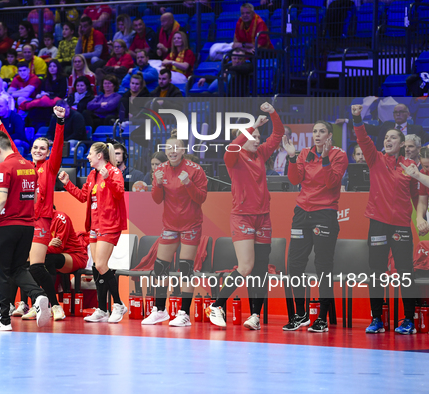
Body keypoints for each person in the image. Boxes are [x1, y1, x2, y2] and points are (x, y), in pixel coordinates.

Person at [207, 103, 283, 329]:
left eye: (259, 136)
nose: (257, 139)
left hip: (263, 217)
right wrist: (252, 126)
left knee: (260, 269)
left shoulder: (261, 153)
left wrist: (272, 112)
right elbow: (231, 147)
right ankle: (217, 305)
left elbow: (278, 134)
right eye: (253, 136)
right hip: (242, 217)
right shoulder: (234, 157)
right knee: (246, 266)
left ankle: (255, 317)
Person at [350, 104, 420, 334]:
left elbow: (418, 197)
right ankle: (377, 319)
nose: (388, 140)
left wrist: (421, 217)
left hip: (401, 226)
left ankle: (408, 319)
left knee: (405, 271)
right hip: (378, 223)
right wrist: (357, 117)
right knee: (376, 271)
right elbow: (362, 137)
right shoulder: (375, 159)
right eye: (386, 137)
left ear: (402, 145)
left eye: (393, 137)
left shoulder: (410, 167)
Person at [0, 115, 51, 331]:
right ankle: (38, 295)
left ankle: (2, 320)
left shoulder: (4, 167)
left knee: (0, 272)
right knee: (18, 268)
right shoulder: (29, 166)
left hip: (6, 226)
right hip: (27, 226)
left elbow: (1, 198)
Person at [281, 121, 349, 333]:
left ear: (329, 135)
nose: (317, 135)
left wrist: (326, 158)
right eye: (315, 132)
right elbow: (294, 179)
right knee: (294, 265)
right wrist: (292, 157)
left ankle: (322, 318)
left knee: (323, 267)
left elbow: (331, 183)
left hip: (325, 213)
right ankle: (300, 315)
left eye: (322, 132)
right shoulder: (304, 154)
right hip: (302, 212)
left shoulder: (339, 155)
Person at [58, 141, 128, 323]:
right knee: (97, 268)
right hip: (95, 226)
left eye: (90, 154)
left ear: (99, 156)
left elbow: (120, 193)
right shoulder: (92, 175)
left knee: (101, 266)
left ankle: (119, 304)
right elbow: (83, 197)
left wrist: (109, 179)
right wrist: (67, 184)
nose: (87, 157)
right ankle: (103, 309)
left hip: (110, 225)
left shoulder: (114, 172)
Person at [142, 138, 207, 326]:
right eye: (169, 148)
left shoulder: (195, 169)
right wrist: (158, 184)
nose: (172, 151)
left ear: (183, 150)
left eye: (176, 148)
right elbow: (156, 199)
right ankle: (160, 310)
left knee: (186, 267)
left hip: (191, 225)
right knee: (160, 267)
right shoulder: (160, 170)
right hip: (170, 225)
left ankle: (184, 313)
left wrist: (188, 183)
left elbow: (201, 198)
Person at [18, 105, 67, 321]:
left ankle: (56, 305)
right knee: (23, 266)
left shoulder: (50, 167)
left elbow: (57, 147)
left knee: (36, 266)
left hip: (41, 221)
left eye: (42, 148)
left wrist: (59, 122)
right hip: (24, 222)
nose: (38, 150)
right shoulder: (26, 167)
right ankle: (33, 305)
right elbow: (9, 147)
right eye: (36, 147)